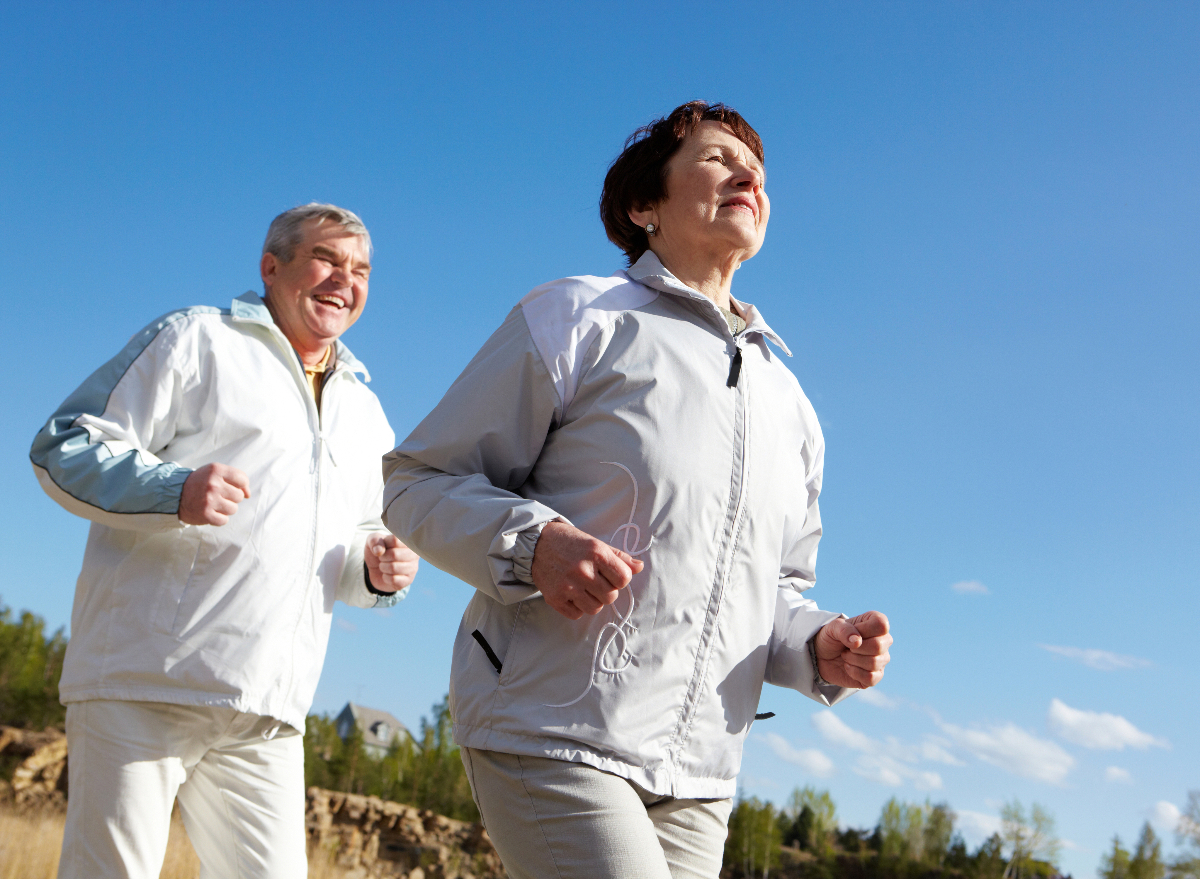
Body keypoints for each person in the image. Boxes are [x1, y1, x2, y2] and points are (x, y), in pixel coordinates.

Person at [382, 102, 893, 878]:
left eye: (756, 168)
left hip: (700, 777)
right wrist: (535, 545)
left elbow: (775, 591)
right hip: (551, 727)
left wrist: (819, 647)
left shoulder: (793, 407)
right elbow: (417, 482)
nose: (748, 174)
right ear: (643, 206)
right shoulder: (576, 316)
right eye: (717, 158)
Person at [30, 203, 419, 879]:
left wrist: (380, 569)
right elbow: (64, 445)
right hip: (143, 684)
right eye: (326, 259)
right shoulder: (198, 339)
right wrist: (173, 490)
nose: (344, 280)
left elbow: (358, 542)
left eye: (360, 269)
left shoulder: (366, 410)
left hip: (268, 711)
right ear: (272, 267)